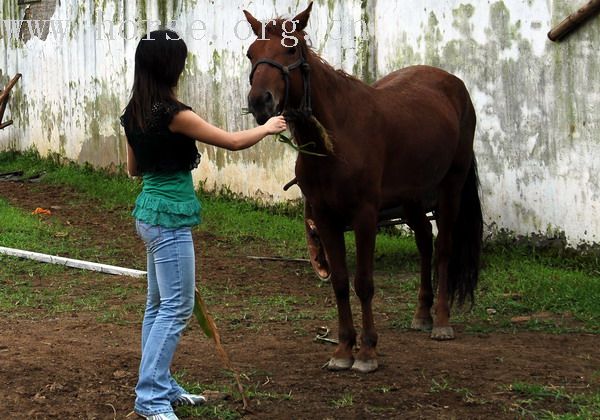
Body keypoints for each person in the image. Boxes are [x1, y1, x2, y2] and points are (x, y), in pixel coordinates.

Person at [120, 29, 287, 420]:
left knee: (158, 305)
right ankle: (150, 397)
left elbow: (132, 169)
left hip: (148, 213)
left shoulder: (133, 112)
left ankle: (159, 384)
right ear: (172, 68)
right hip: (170, 220)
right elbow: (230, 141)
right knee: (177, 308)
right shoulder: (175, 114)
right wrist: (266, 128)